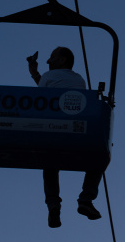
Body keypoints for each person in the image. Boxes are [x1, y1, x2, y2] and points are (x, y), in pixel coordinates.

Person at [27, 47, 103, 228]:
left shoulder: (47, 77)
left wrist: (35, 74)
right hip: (77, 134)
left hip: (53, 132)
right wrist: (35, 74)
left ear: (62, 60)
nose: (47, 61)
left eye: (52, 57)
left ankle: (53, 204)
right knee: (99, 160)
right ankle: (86, 198)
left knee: (50, 165)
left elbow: (43, 95)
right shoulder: (79, 80)